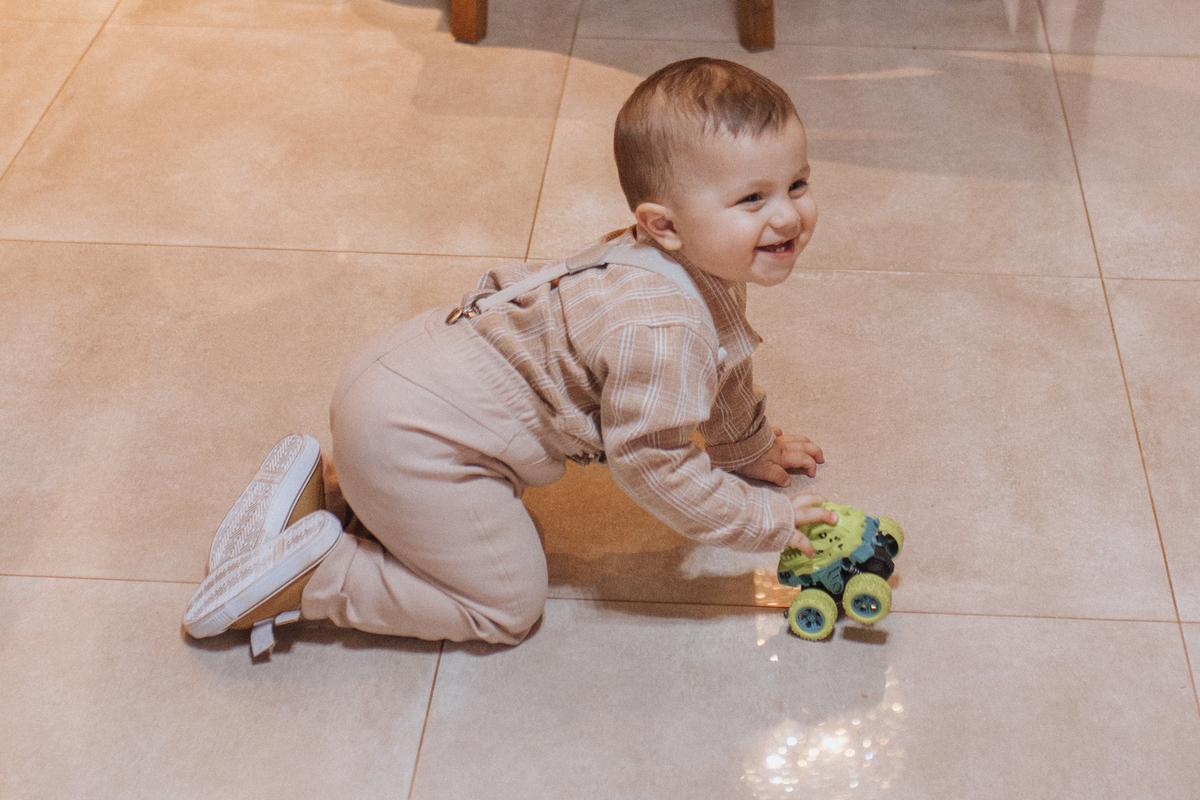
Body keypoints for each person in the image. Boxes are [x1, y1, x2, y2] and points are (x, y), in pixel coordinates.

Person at [183, 57, 839, 657]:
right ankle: (314, 578)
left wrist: (745, 447)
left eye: (797, 184)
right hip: (417, 441)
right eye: (753, 199)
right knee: (505, 605)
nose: (787, 217)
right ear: (664, 223)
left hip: (400, 372)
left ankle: (331, 492)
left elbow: (721, 363)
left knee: (414, 485)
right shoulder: (664, 328)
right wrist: (759, 520)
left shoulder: (673, 263)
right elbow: (654, 465)